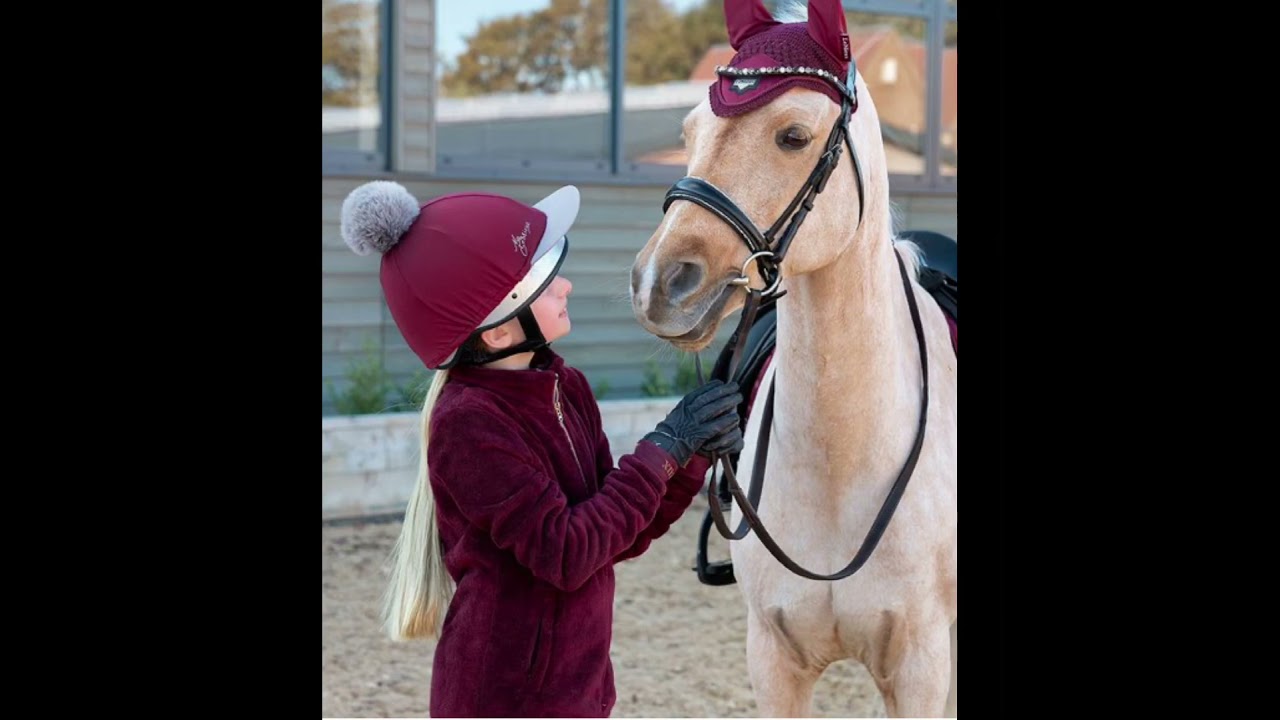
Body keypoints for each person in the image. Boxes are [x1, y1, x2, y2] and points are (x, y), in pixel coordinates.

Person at [340, 181, 744, 718]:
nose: (567, 286)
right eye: (545, 284)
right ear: (500, 334)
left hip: (581, 691)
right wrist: (666, 445)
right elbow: (568, 553)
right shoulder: (467, 424)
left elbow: (614, 537)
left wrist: (691, 456)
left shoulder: (564, 384)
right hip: (506, 700)